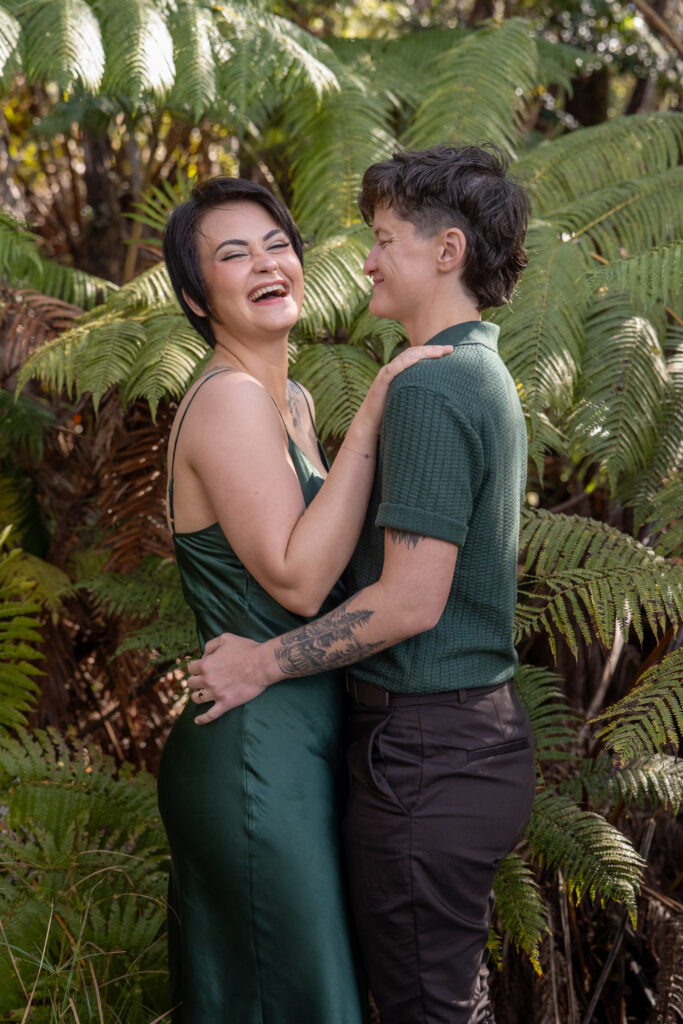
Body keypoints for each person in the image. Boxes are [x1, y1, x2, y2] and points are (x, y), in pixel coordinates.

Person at [187, 145, 537, 1024]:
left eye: (382, 239)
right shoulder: (471, 371)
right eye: (234, 254)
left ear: (447, 251)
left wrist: (262, 662)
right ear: (196, 296)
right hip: (431, 744)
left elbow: (409, 598)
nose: (367, 260)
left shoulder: (430, 388)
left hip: (423, 752)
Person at [156, 175, 451, 1023]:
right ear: (195, 297)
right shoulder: (229, 401)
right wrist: (374, 414)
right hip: (255, 747)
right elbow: (298, 579)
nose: (265, 264)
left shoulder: (289, 400)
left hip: (306, 735)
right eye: (232, 255)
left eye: (276, 244)